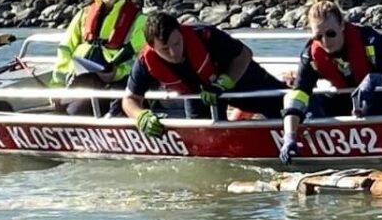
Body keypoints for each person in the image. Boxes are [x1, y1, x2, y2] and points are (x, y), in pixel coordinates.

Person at [281, 0, 382, 155]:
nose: (326, 41)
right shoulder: (310, 56)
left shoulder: (373, 42)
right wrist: (289, 136)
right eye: (318, 37)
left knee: (377, 103)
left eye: (331, 34)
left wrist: (377, 79)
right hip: (350, 95)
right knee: (308, 104)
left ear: (342, 25)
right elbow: (300, 93)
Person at [122, 12, 285, 140]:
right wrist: (140, 116)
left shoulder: (204, 35)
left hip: (238, 80)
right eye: (165, 49)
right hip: (198, 96)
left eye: (177, 44)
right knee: (202, 136)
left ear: (180, 33)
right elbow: (129, 99)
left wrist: (224, 82)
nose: (174, 53)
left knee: (286, 106)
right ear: (152, 46)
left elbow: (244, 54)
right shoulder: (145, 61)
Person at [51, 0, 148, 115]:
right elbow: (65, 50)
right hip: (82, 81)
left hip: (119, 84)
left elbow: (140, 59)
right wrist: (56, 87)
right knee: (72, 114)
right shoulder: (83, 15)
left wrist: (116, 72)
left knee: (115, 114)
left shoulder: (139, 19)